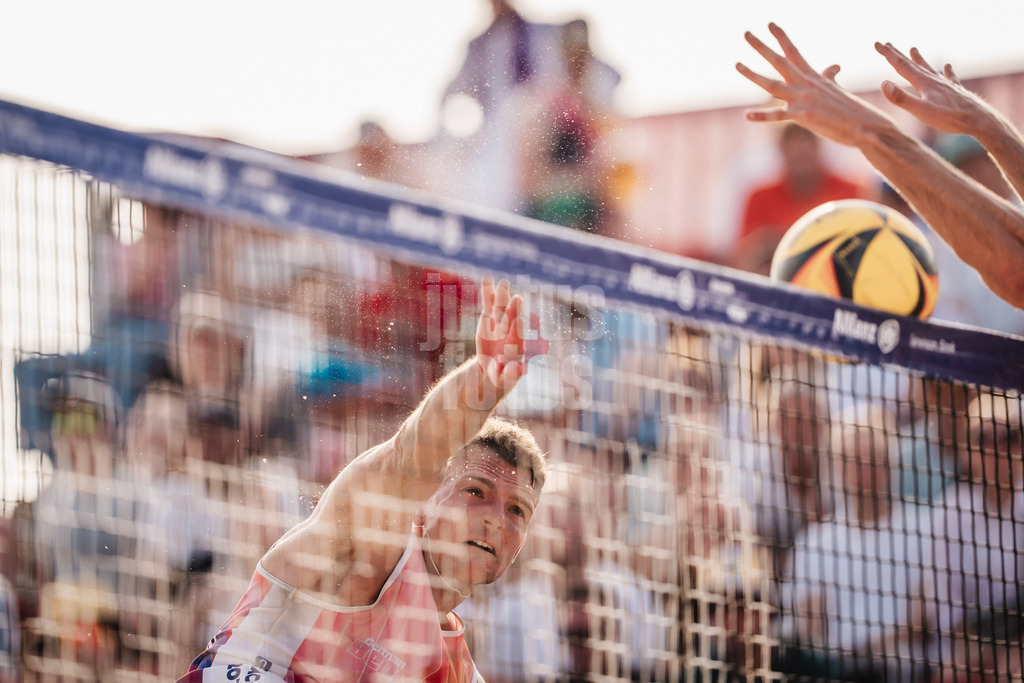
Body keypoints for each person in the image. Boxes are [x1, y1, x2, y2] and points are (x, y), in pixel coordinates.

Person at [176, 277, 548, 682]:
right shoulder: (369, 542)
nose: (496, 518)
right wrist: (480, 386)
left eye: (517, 510)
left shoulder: (459, 673)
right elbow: (411, 456)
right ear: (426, 499)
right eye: (476, 490)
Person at [738, 24, 1024, 310]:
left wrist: (874, 135)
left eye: (980, 164)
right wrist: (986, 126)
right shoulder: (760, 193)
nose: (977, 175)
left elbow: (1015, 272)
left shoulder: (853, 190)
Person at [734, 123, 865, 274]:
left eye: (805, 138)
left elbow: (861, 246)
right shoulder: (759, 196)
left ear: (817, 145)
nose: (799, 148)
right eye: (790, 140)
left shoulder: (850, 191)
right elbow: (744, 258)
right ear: (781, 148)